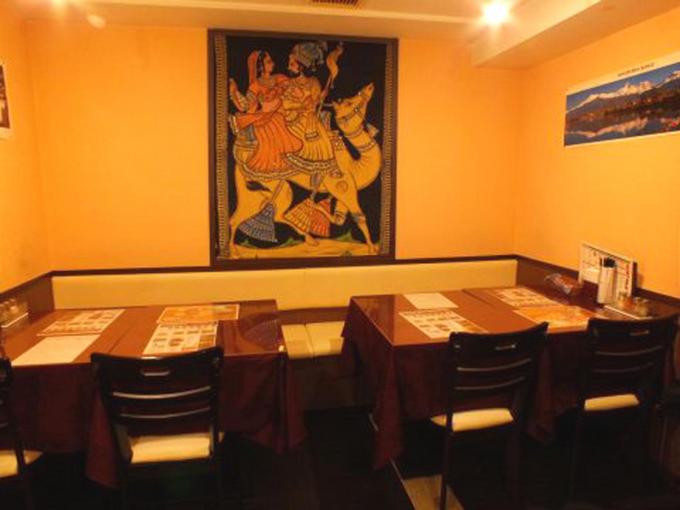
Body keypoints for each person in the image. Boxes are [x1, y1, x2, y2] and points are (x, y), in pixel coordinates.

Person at [229, 50, 302, 176]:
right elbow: (246, 106)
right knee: (275, 120)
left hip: (284, 112)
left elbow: (296, 92)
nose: (273, 64)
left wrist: (292, 91)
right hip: (266, 119)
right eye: (269, 62)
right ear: (260, 66)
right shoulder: (255, 85)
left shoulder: (279, 77)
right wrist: (234, 93)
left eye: (271, 61)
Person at [281, 41, 336, 173]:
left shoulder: (313, 82)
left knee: (323, 143)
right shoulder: (289, 83)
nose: (289, 66)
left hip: (309, 119)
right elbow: (285, 103)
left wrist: (320, 97)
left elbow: (314, 104)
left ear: (301, 67)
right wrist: (301, 104)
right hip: (290, 118)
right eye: (289, 63)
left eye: (292, 64)